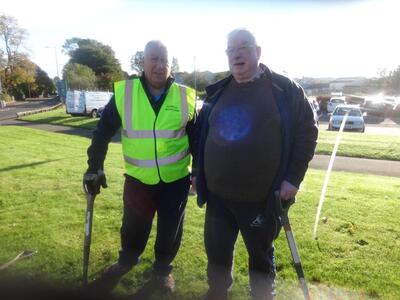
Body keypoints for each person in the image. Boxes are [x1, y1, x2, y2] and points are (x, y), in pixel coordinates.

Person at [192, 29, 318, 300]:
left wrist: (293, 179)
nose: (236, 54)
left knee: (260, 260)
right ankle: (217, 294)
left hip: (261, 199)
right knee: (216, 255)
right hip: (218, 198)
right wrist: (197, 173)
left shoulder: (285, 90)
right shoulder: (218, 92)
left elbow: (308, 133)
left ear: (258, 51)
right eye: (230, 50)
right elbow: (200, 136)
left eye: (243, 47)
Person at [83, 40, 196, 294]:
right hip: (138, 181)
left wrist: (198, 171)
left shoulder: (184, 96)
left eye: (164, 60)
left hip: (176, 181)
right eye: (153, 59)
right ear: (142, 62)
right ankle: (127, 260)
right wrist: (94, 167)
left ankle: (162, 270)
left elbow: (197, 139)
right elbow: (102, 133)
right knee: (133, 227)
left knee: (170, 230)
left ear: (170, 65)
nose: (159, 65)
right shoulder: (125, 93)